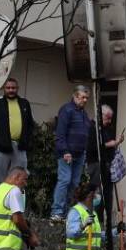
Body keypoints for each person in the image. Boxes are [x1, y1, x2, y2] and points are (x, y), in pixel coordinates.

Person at [50, 86, 91, 220]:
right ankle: (57, 212)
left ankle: (69, 212)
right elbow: (60, 133)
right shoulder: (67, 110)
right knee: (65, 180)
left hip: (79, 154)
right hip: (67, 153)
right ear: (75, 96)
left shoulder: (84, 114)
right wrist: (65, 151)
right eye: (82, 97)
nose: (85, 100)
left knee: (74, 183)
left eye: (86, 98)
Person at [0, 78, 35, 189]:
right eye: (8, 88)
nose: (11, 90)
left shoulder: (24, 103)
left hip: (20, 147)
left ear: (17, 88)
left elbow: (30, 125)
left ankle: (15, 205)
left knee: (19, 180)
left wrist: (27, 141)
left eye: (13, 88)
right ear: (4, 89)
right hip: (1, 148)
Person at [86, 104, 124, 191]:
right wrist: (109, 144)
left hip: (106, 165)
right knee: (95, 193)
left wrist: (117, 142)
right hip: (95, 164)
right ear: (100, 115)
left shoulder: (106, 128)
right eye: (108, 118)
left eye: (111, 118)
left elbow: (109, 144)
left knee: (107, 193)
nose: (110, 121)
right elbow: (92, 146)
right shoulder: (92, 127)